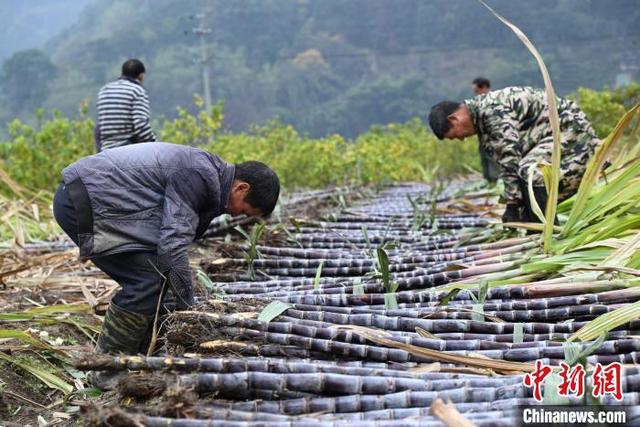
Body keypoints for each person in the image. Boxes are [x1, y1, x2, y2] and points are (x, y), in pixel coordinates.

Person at [53, 142, 280, 388]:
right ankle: (105, 370)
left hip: (98, 199)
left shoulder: (209, 176)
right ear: (241, 187)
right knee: (146, 280)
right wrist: (188, 310)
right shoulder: (198, 176)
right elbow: (172, 248)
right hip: (83, 199)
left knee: (157, 276)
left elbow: (172, 243)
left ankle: (138, 358)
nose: (237, 216)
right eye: (244, 210)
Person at [428, 86, 600, 224]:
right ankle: (536, 226)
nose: (461, 139)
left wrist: (512, 204)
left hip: (570, 129)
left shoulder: (491, 110)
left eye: (455, 135)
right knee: (523, 180)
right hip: (547, 133)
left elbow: (510, 156)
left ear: (454, 119)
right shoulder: (483, 126)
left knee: (530, 171)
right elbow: (503, 161)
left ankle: (548, 231)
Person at [95, 59, 157, 151]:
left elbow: (100, 127)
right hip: (128, 151)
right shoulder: (137, 91)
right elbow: (140, 125)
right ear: (141, 76)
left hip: (106, 151)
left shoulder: (104, 91)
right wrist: (155, 144)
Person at [471, 76, 499, 183]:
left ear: (484, 88)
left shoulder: (494, 101)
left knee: (493, 163)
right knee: (485, 163)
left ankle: (496, 183)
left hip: (493, 140)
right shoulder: (478, 103)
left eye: (477, 91)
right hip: (483, 140)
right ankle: (489, 183)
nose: (476, 94)